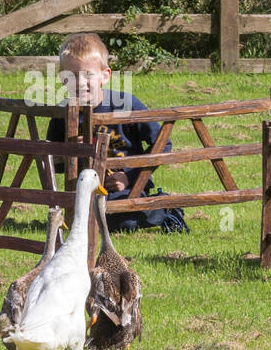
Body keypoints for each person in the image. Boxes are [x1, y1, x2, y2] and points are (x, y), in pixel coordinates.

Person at [44, 33, 187, 232]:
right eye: (72, 76)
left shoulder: (127, 105)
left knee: (122, 223)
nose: (80, 82)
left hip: (125, 187)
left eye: (88, 75)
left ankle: (164, 207)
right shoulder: (63, 113)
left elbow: (163, 144)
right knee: (89, 222)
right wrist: (70, 152)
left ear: (105, 75)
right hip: (85, 191)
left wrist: (130, 176)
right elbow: (54, 163)